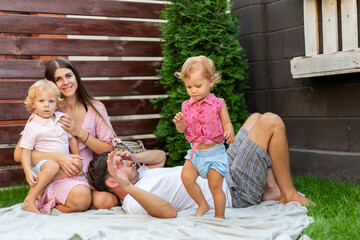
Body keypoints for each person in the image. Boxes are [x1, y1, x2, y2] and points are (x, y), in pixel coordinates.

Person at [87, 112, 311, 218]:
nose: (126, 160)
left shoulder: (143, 174)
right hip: (233, 189)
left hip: (222, 168)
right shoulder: (134, 202)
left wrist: (134, 158)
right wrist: (126, 187)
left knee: (255, 117)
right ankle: (289, 194)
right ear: (112, 180)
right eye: (120, 163)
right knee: (271, 122)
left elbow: (159, 158)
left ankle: (271, 191)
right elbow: (169, 212)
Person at [14, 57, 115, 213]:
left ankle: (77, 203)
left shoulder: (95, 108)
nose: (65, 82)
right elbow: (18, 154)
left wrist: (80, 132)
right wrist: (59, 158)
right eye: (58, 79)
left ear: (75, 76)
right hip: (57, 174)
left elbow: (109, 148)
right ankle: (49, 205)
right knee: (82, 197)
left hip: (85, 170)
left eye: (68, 75)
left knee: (107, 201)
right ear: (51, 85)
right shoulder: (46, 113)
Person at [173, 56, 235, 218]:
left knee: (215, 187)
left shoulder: (218, 104)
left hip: (215, 154)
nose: (193, 90)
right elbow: (183, 130)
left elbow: (227, 124)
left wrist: (229, 131)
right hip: (196, 154)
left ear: (211, 82)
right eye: (189, 87)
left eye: (198, 86)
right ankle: (203, 204)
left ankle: (219, 216)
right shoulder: (186, 106)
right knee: (186, 178)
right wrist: (179, 124)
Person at [20, 80, 80, 214]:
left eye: (51, 101)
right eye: (41, 101)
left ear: (57, 103)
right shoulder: (32, 125)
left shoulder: (62, 118)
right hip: (43, 166)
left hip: (61, 165)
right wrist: (28, 172)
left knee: (77, 165)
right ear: (33, 104)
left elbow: (72, 140)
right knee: (52, 166)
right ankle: (30, 199)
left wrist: (76, 157)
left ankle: (43, 185)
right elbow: (25, 151)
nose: (46, 105)